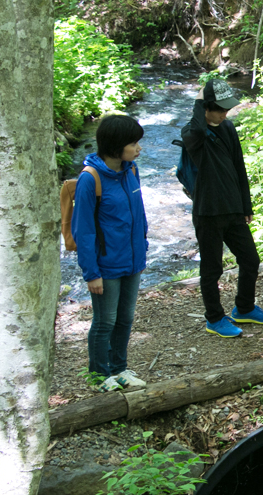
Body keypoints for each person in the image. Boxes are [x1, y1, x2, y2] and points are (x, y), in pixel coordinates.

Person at [182, 79, 263, 338]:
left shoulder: (228, 128)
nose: (225, 113)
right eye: (219, 109)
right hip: (208, 211)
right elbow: (198, 129)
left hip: (232, 209)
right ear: (205, 108)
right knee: (212, 269)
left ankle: (244, 308)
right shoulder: (192, 132)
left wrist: (246, 205)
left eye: (227, 109)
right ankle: (214, 318)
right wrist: (198, 102)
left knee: (250, 260)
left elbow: (238, 168)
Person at [72, 114, 149, 392]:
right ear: (116, 146)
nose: (138, 148)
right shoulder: (89, 179)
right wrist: (91, 272)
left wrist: (143, 246)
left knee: (126, 318)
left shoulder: (131, 170)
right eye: (133, 143)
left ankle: (120, 369)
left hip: (132, 260)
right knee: (105, 321)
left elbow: (138, 213)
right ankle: (99, 374)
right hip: (105, 265)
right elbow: (84, 231)